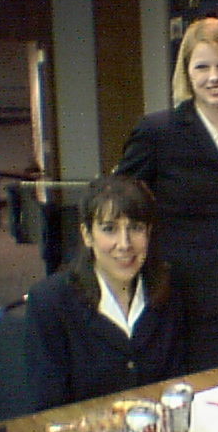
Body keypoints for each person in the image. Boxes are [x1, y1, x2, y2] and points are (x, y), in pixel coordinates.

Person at [115, 17, 218, 372]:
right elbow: (121, 204)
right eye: (202, 67)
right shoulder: (157, 132)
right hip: (179, 298)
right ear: (187, 73)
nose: (214, 77)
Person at [25, 176, 186, 411]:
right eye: (109, 229)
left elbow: (177, 388)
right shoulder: (50, 302)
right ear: (87, 235)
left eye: (136, 228)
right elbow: (50, 407)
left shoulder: (167, 291)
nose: (124, 244)